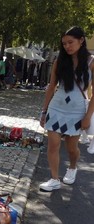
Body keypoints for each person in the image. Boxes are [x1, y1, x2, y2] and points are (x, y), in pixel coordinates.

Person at [38, 26, 94, 192]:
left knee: (72, 148)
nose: (67, 46)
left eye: (70, 42)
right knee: (53, 145)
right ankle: (54, 179)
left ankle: (73, 167)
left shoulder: (91, 62)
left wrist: (87, 116)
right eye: (64, 43)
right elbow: (51, 87)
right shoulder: (59, 61)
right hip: (56, 107)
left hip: (77, 110)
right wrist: (44, 111)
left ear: (81, 40)